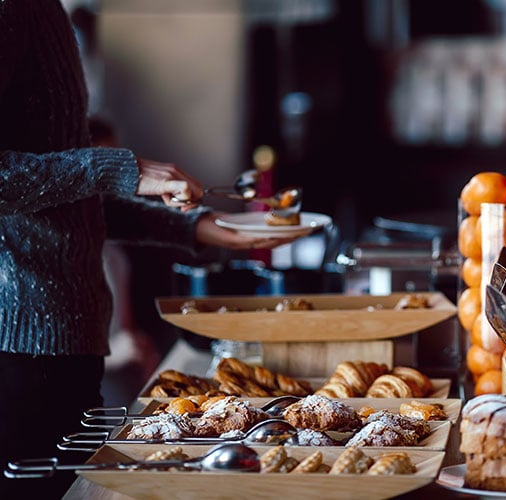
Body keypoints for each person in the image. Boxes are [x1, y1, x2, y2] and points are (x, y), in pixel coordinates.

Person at [0, 1, 294, 497]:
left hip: (66, 346)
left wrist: (198, 229)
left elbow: (65, 207)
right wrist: (121, 168)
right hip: (22, 352)